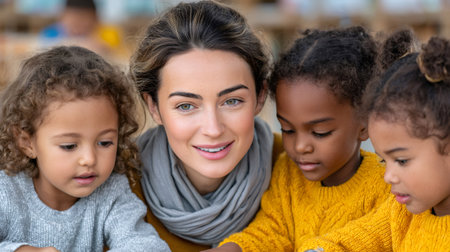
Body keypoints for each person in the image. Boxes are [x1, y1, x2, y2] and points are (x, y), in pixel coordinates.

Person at [210, 26, 391, 251]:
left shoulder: (388, 184)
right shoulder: (288, 173)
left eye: (320, 132)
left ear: (364, 123)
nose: (300, 146)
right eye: (287, 129)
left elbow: (369, 237)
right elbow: (272, 231)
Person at [129, 1, 283, 251]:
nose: (213, 129)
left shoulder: (300, 167)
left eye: (232, 101)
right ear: (154, 107)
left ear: (260, 96)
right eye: (186, 106)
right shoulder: (113, 181)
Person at [0, 46, 170, 252]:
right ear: (27, 142)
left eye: (105, 142)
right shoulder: (6, 192)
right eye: (69, 146)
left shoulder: (111, 193)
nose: (89, 159)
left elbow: (146, 245)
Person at [300, 30, 450, 251]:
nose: (388, 177)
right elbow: (354, 238)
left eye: (401, 160)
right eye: (383, 161)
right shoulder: (400, 213)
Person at [40, 0, 125, 58]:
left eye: (84, 19)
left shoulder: (108, 32)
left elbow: (118, 54)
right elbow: (43, 47)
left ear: (95, 18)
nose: (78, 25)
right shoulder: (52, 32)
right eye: (73, 20)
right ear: (62, 17)